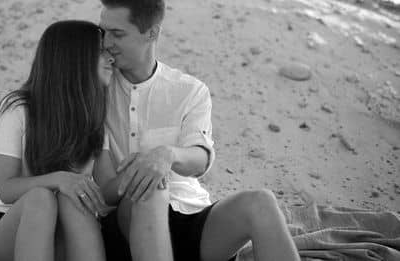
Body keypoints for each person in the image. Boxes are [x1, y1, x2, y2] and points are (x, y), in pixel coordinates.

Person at [95, 0, 302, 261]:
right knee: (151, 186)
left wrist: (167, 154)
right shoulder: (97, 87)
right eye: (103, 32)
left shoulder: (190, 91)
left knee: (261, 202)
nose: (106, 43)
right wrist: (143, 171)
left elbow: (200, 160)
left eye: (118, 34)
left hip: (189, 216)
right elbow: (102, 186)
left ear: (152, 33)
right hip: (126, 224)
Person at [0, 20, 115, 261]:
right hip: (6, 225)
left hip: (62, 227)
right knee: (42, 197)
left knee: (73, 197)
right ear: (74, 58)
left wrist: (144, 173)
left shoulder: (95, 116)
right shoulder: (18, 110)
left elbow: (108, 187)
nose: (111, 58)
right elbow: (6, 190)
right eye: (101, 51)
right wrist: (60, 179)